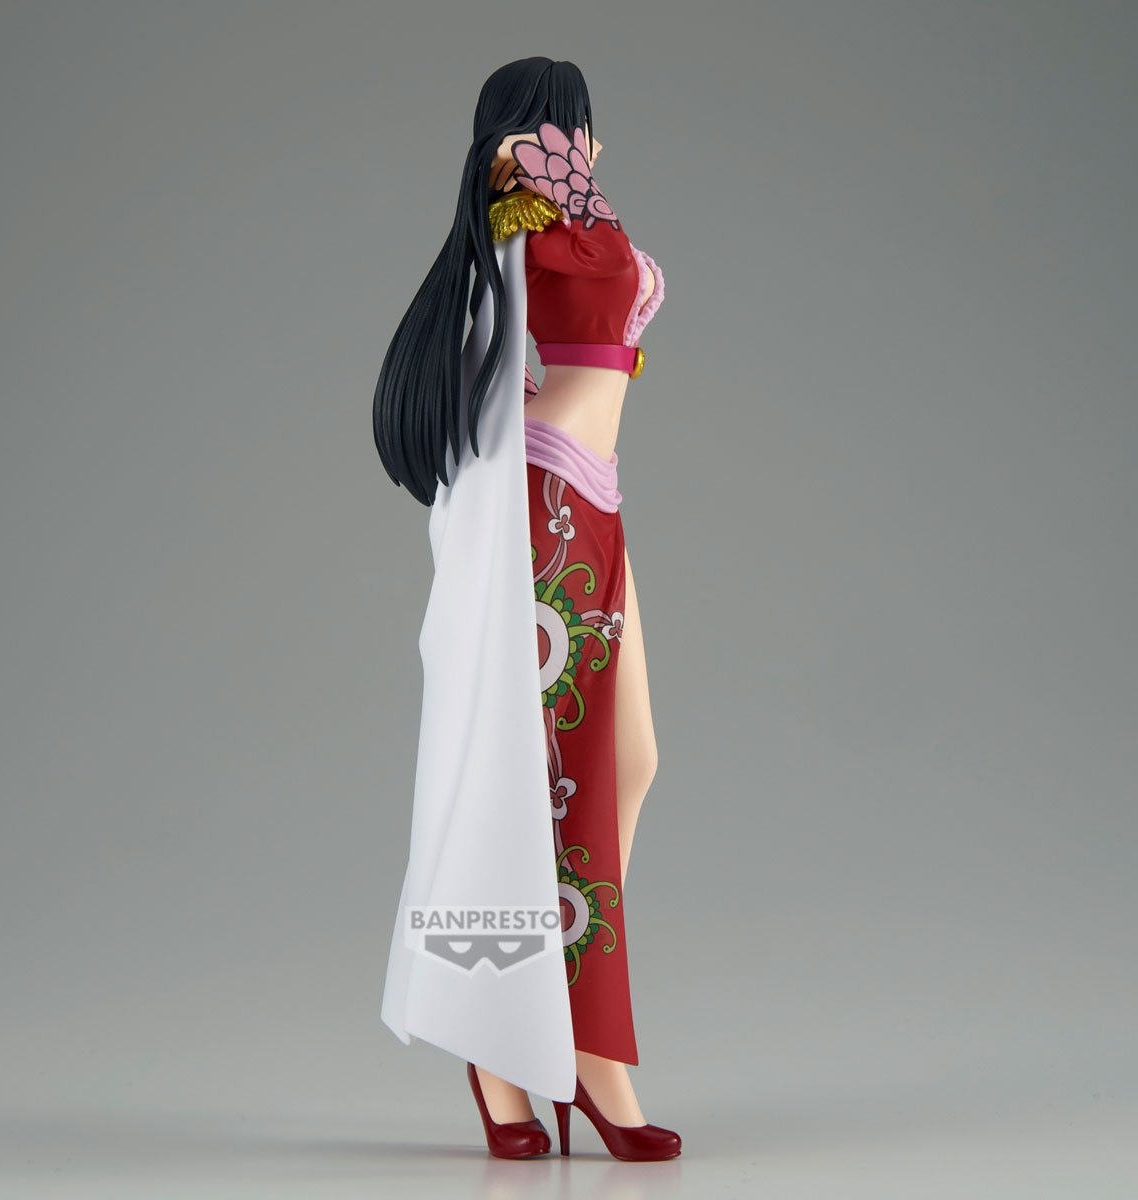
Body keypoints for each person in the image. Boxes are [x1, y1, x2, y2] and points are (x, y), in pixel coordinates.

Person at [372, 56, 680, 1162]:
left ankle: (557, 1026)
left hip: (595, 506)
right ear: (525, 141)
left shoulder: (559, 227)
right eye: (564, 128)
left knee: (629, 762)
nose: (581, 147)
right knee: (535, 785)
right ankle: (533, 1056)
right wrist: (537, 179)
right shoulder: (531, 228)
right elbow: (565, 274)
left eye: (581, 130)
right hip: (548, 511)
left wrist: (567, 187)